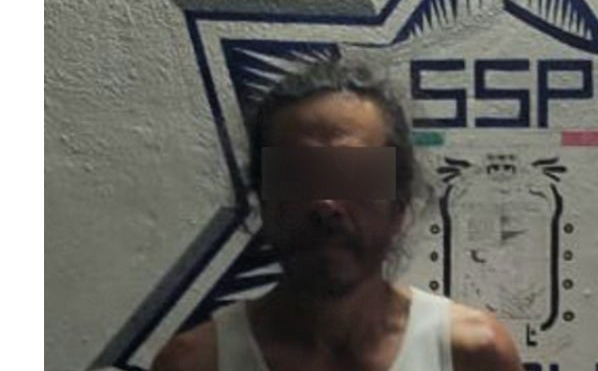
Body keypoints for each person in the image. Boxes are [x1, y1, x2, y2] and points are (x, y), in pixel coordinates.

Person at [152, 58, 524, 371]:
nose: (327, 204)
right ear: (262, 199)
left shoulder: (474, 356)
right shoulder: (195, 363)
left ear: (399, 205)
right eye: (299, 176)